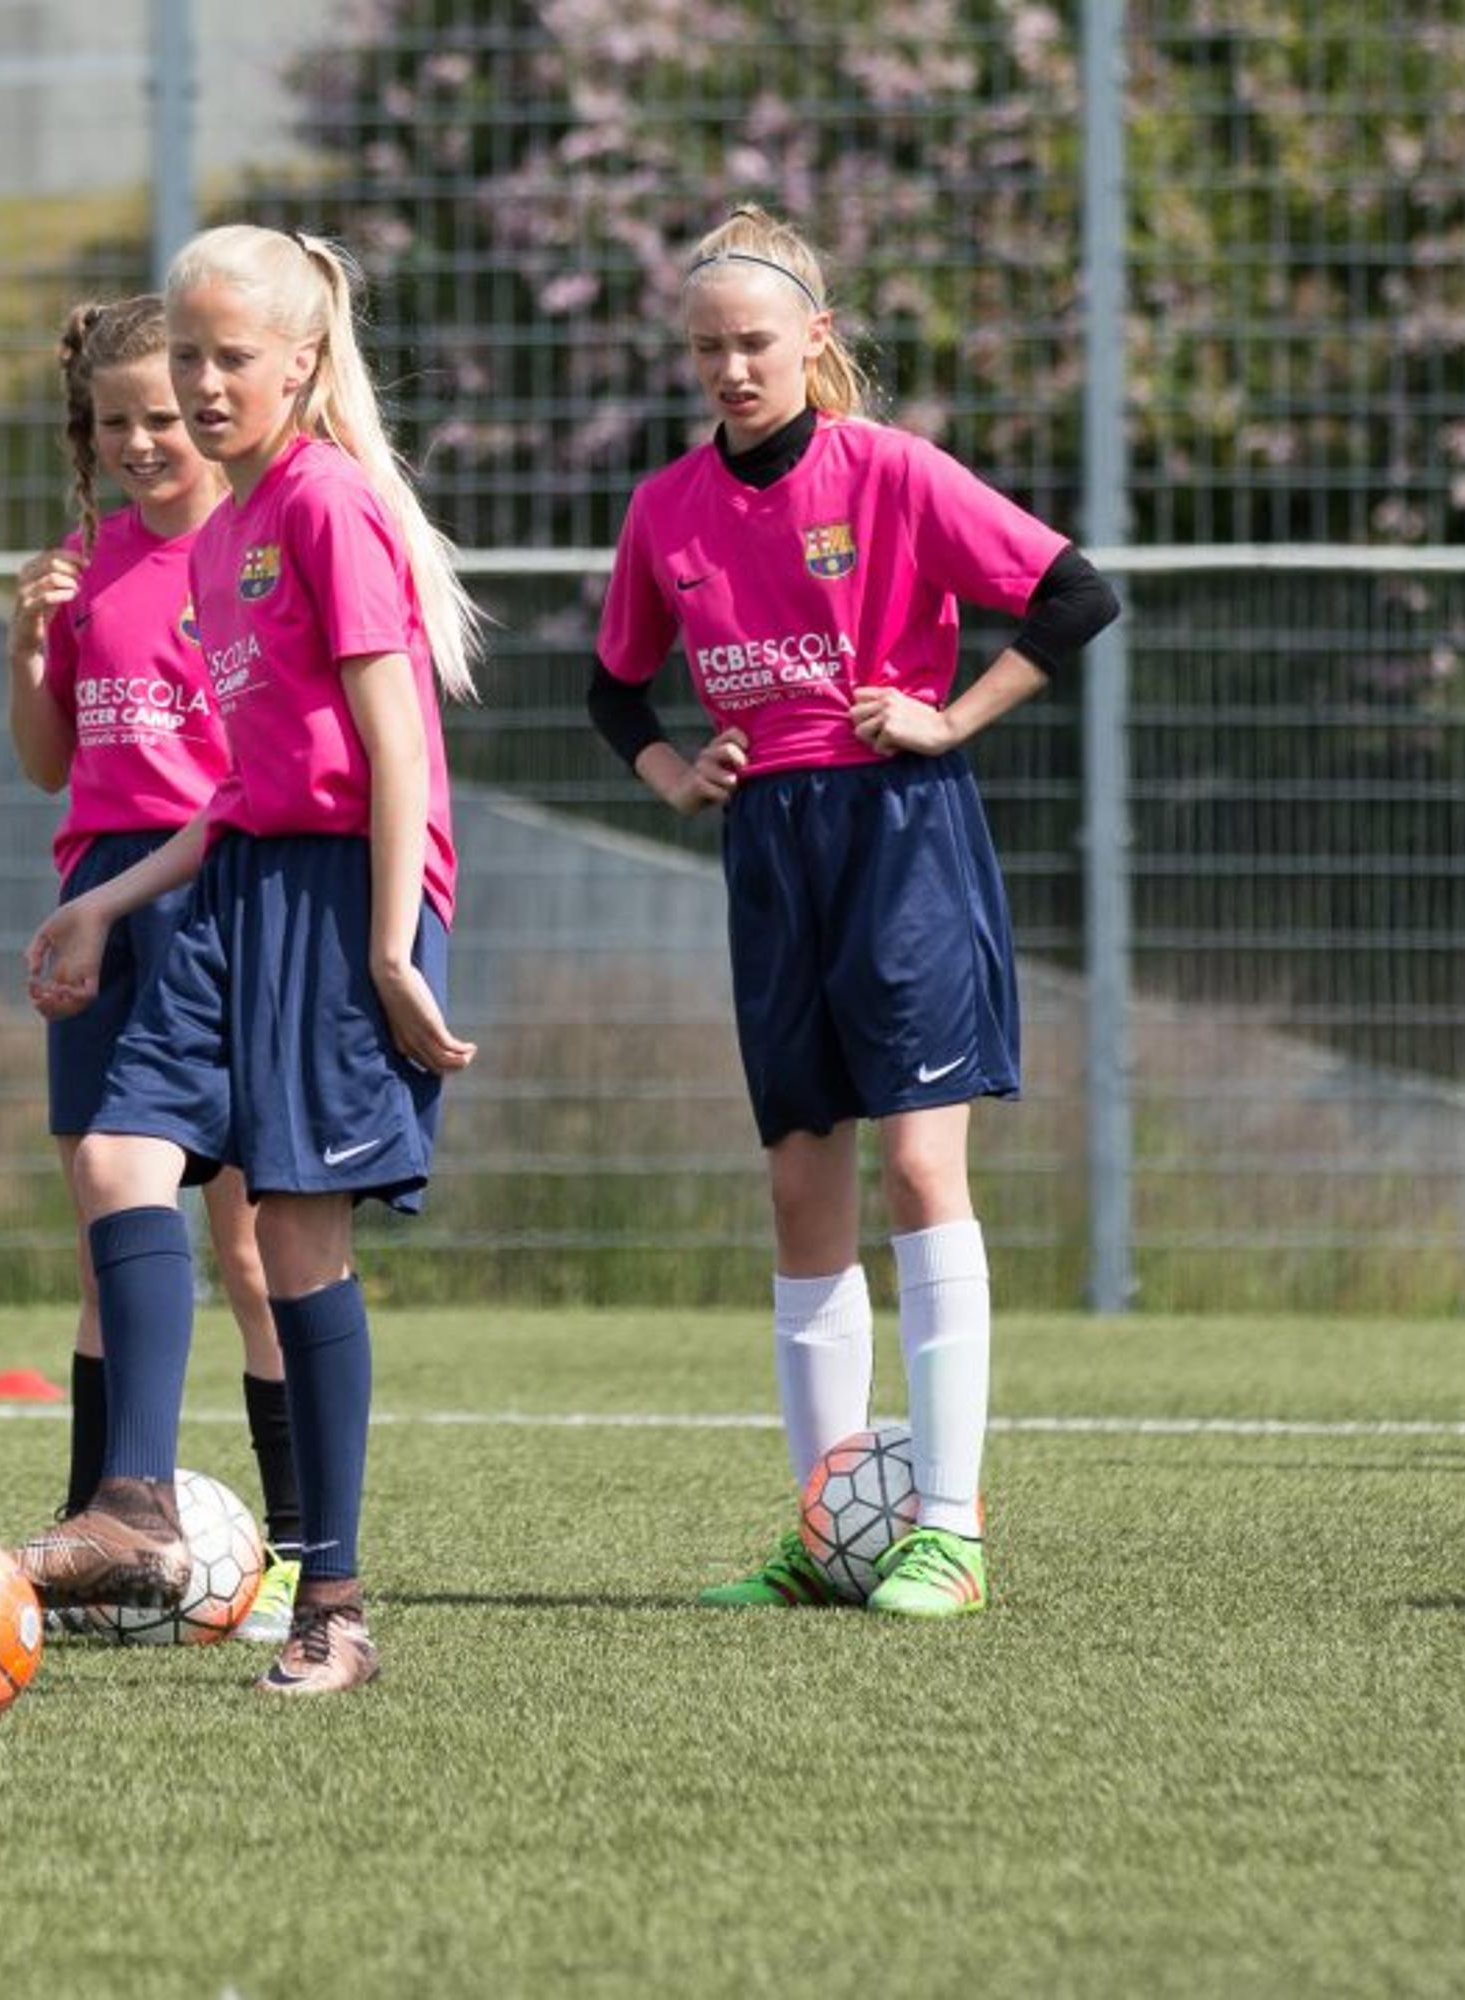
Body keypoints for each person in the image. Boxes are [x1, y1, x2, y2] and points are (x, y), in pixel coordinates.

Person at [587, 205, 1120, 1619]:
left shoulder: (889, 470)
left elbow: (1073, 597)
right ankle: (834, 1533)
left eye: (753, 342)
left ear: (813, 341)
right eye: (706, 348)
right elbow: (611, 686)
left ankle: (947, 1532)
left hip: (900, 835)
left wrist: (952, 718)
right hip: (769, 851)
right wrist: (672, 773)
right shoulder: (667, 510)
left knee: (918, 1174)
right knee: (797, 1183)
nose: (728, 368)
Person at [20, 225, 481, 1696]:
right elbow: (237, 788)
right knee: (117, 1159)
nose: (209, 386)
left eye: (232, 359)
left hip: (347, 896)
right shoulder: (224, 537)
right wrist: (106, 901)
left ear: (301, 359)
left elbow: (397, 737)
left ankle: (331, 1602)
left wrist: (397, 943)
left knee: (294, 1242)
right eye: (193, 357)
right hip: (239, 884)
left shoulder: (331, 505)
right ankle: (134, 1507)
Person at [7, 293, 303, 1644]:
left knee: (246, 1242)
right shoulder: (88, 563)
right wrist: (28, 647)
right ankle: (89, 1530)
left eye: (165, 419)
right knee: (102, 1222)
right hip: (99, 901)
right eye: (115, 422)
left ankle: (300, 1540)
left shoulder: (248, 557)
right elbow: (48, 759)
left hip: (206, 893)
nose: (140, 443)